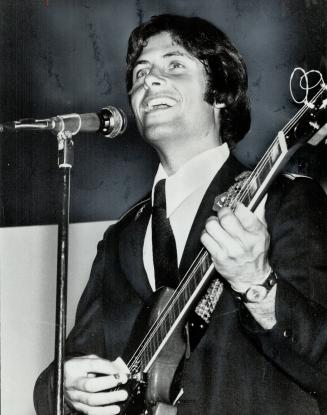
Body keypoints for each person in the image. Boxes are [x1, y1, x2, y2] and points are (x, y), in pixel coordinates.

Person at [34, 14, 327, 415]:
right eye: (140, 72)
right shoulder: (121, 237)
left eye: (174, 65)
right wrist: (65, 386)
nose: (148, 80)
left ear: (221, 94)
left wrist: (257, 284)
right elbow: (70, 363)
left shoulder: (286, 201)